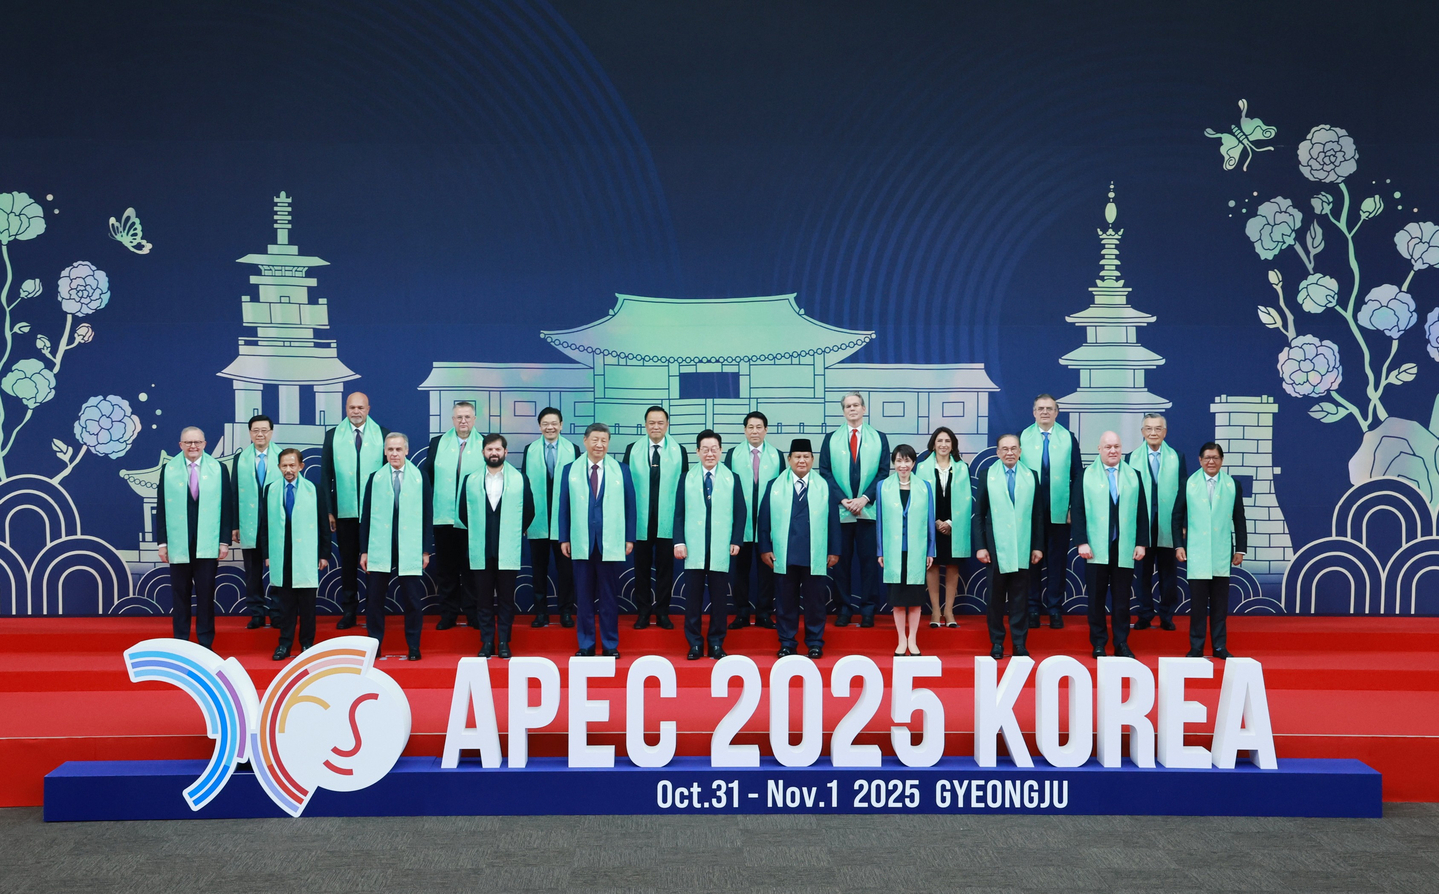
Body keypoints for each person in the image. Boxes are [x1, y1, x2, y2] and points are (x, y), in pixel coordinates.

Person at [558, 423, 637, 658]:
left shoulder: (621, 470)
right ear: (585, 441)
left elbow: (631, 507)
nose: (599, 445)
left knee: (609, 596)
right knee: (582, 597)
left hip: (610, 542)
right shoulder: (569, 470)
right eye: (595, 440)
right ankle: (586, 643)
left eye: (604, 440)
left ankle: (610, 644)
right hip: (581, 540)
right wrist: (564, 537)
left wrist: (629, 537)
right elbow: (563, 507)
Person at [758, 439, 841, 659]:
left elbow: (834, 520)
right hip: (784, 554)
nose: (801, 460)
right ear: (789, 459)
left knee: (815, 602)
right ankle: (787, 642)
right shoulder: (774, 486)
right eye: (797, 456)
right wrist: (765, 547)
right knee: (785, 602)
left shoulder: (824, 486)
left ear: (812, 460)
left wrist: (834, 550)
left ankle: (814, 642)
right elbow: (763, 519)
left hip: (815, 554)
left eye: (806, 456)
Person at [457, 434, 534, 659]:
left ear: (505, 452)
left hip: (507, 547)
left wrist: (512, 532)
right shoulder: (471, 480)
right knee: (483, 599)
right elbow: (464, 512)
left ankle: (504, 643)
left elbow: (529, 510)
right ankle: (487, 641)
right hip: (481, 547)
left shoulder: (519, 479)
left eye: (498, 449)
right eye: (489, 449)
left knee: (507, 599)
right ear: (483, 452)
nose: (494, 453)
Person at [1072, 432, 1149, 659]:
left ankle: (1121, 643)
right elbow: (1076, 511)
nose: (1113, 450)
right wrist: (1081, 542)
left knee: (1122, 599)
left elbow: (1142, 512)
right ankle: (1098, 643)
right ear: (1099, 449)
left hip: (1124, 546)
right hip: (1095, 547)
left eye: (1116, 446)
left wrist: (1141, 543)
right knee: (1096, 599)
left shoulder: (1134, 476)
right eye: (1108, 446)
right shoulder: (1085, 475)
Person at [156, 427, 234, 649]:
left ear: (205, 444)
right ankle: (181, 642)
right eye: (188, 442)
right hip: (178, 543)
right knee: (179, 595)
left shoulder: (219, 469)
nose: (193, 446)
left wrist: (223, 541)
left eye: (197, 442)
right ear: (180, 445)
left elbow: (227, 508)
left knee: (206, 594)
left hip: (207, 543)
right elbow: (161, 507)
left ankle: (206, 642)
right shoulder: (168, 470)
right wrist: (163, 543)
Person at [817, 392, 890, 627]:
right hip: (841, 512)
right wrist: (844, 500)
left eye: (856, 405)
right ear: (843, 411)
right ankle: (844, 609)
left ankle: (868, 610)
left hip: (868, 512)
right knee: (840, 563)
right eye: (848, 406)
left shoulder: (880, 438)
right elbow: (825, 473)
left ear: (864, 408)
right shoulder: (831, 439)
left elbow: (883, 473)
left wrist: (865, 499)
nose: (852, 409)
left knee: (869, 564)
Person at [359, 433, 433, 661]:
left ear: (406, 451)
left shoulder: (420, 476)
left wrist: (425, 549)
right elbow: (366, 516)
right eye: (390, 449)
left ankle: (413, 646)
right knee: (374, 600)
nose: (394, 453)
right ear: (385, 452)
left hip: (409, 545)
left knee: (412, 600)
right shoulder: (376, 478)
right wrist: (364, 550)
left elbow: (427, 514)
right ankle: (375, 647)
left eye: (398, 449)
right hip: (380, 544)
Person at [674, 430, 746, 660]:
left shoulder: (732, 478)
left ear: (721, 450)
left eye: (714, 448)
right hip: (693, 547)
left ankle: (716, 643)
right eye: (705, 449)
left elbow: (740, 512)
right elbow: (678, 514)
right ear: (697, 451)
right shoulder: (686, 478)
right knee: (693, 599)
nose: (710, 453)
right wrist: (679, 541)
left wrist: (736, 540)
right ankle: (694, 643)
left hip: (721, 546)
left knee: (719, 599)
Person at [321, 392, 390, 629]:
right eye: (352, 407)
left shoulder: (383, 435)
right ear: (346, 409)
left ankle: (374, 610)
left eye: (361, 407)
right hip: (345, 513)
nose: (356, 411)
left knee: (374, 564)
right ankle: (349, 611)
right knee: (348, 564)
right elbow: (326, 475)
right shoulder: (333, 436)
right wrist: (330, 510)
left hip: (375, 514)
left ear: (368, 409)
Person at [974, 434, 1044, 659]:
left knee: (1019, 598)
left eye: (1014, 448)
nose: (1009, 453)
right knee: (995, 598)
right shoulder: (988, 475)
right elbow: (979, 514)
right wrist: (981, 546)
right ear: (997, 452)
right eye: (1004, 449)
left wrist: (1037, 546)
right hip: (995, 548)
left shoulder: (1031, 476)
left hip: (1023, 546)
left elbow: (1038, 515)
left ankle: (1019, 643)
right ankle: (996, 642)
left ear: (1020, 451)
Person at [1176, 442, 1246, 660]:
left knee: (1219, 605)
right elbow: (1177, 516)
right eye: (1207, 458)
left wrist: (1241, 549)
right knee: (1197, 606)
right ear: (1199, 460)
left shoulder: (1232, 484)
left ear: (1222, 460)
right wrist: (1179, 544)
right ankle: (1196, 647)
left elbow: (1239, 519)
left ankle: (1219, 646)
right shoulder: (1188, 483)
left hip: (1222, 552)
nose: (1211, 462)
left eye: (1215, 458)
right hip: (1196, 553)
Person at [258, 448, 329, 660]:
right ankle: (285, 644)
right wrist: (267, 553)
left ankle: (307, 644)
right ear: (279, 467)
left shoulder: (314, 489)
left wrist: (324, 553)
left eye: (292, 465)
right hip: (281, 553)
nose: (288, 470)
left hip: (306, 554)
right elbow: (265, 525)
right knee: (285, 604)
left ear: (301, 466)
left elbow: (323, 524)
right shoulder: (270, 489)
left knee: (307, 605)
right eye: (284, 466)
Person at [1020, 394, 1082, 629]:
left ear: (1057, 413)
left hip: (1060, 512)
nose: (1045, 412)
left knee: (1057, 563)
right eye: (1040, 409)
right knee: (1032, 561)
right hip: (1031, 513)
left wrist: (1071, 509)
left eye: (1049, 408)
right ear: (1033, 412)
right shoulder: (1023, 438)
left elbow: (1077, 475)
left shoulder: (1068, 438)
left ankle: (1055, 608)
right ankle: (1033, 608)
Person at [624, 406, 687, 629]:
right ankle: (643, 612)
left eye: (660, 423)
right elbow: (625, 488)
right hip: (641, 521)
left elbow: (684, 490)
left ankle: (662, 612)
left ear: (667, 425)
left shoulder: (680, 451)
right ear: (645, 425)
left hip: (667, 521)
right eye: (651, 423)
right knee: (640, 570)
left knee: (665, 570)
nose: (656, 427)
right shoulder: (632, 449)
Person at [424, 401, 485, 630]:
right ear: (452, 419)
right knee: (447, 569)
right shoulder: (438, 443)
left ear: (474, 419)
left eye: (467, 417)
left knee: (471, 568)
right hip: (444, 517)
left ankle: (473, 613)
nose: (463, 421)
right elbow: (428, 477)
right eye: (459, 417)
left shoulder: (484, 444)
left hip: (473, 519)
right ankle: (448, 613)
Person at [1127, 413, 1187, 631]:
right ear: (1142, 432)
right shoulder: (1131, 458)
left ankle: (1166, 614)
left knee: (1168, 573)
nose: (1153, 432)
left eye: (1158, 428)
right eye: (1149, 428)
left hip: (1168, 524)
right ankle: (1144, 613)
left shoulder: (1177, 457)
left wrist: (1182, 524)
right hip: (1141, 525)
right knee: (1142, 573)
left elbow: (1183, 493)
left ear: (1165, 432)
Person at [724, 411, 784, 629]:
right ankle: (741, 612)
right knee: (740, 571)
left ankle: (764, 613)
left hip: (769, 524)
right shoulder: (732, 454)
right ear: (744, 430)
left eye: (759, 427)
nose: (755, 431)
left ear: (766, 430)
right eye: (750, 427)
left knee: (767, 571)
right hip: (741, 524)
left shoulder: (777, 456)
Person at [521, 407, 579, 628]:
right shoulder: (531, 449)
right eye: (545, 423)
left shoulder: (572, 449)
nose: (550, 427)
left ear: (561, 425)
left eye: (554, 423)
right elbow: (525, 486)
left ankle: (565, 611)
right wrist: (526, 520)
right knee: (538, 570)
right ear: (540, 426)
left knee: (565, 571)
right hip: (537, 521)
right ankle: (540, 613)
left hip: (564, 522)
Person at [876, 444, 935, 656]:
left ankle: (913, 639)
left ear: (913, 463)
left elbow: (929, 521)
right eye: (899, 461)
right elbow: (880, 522)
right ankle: (901, 639)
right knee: (898, 601)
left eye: (907, 461)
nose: (903, 465)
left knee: (916, 600)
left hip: (917, 551)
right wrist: (880, 550)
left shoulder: (924, 487)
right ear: (894, 463)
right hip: (893, 552)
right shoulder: (883, 486)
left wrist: (931, 550)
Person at [916, 426, 971, 628]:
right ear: (933, 444)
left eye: (947, 441)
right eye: (939, 441)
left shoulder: (961, 467)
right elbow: (920, 499)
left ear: (953, 445)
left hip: (954, 526)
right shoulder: (922, 467)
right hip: (931, 525)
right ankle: (935, 610)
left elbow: (966, 500)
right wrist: (935, 522)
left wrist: (950, 522)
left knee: (952, 566)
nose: (943, 445)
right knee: (933, 565)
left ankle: (949, 610)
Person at [232, 414, 280, 629]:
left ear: (271, 431)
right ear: (250, 433)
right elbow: (234, 493)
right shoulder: (240, 459)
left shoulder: (283, 457)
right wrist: (235, 524)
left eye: (264, 430)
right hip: (249, 522)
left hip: (276, 523)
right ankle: (257, 612)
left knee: (277, 568)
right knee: (252, 571)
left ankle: (278, 612)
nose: (260, 434)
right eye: (255, 431)